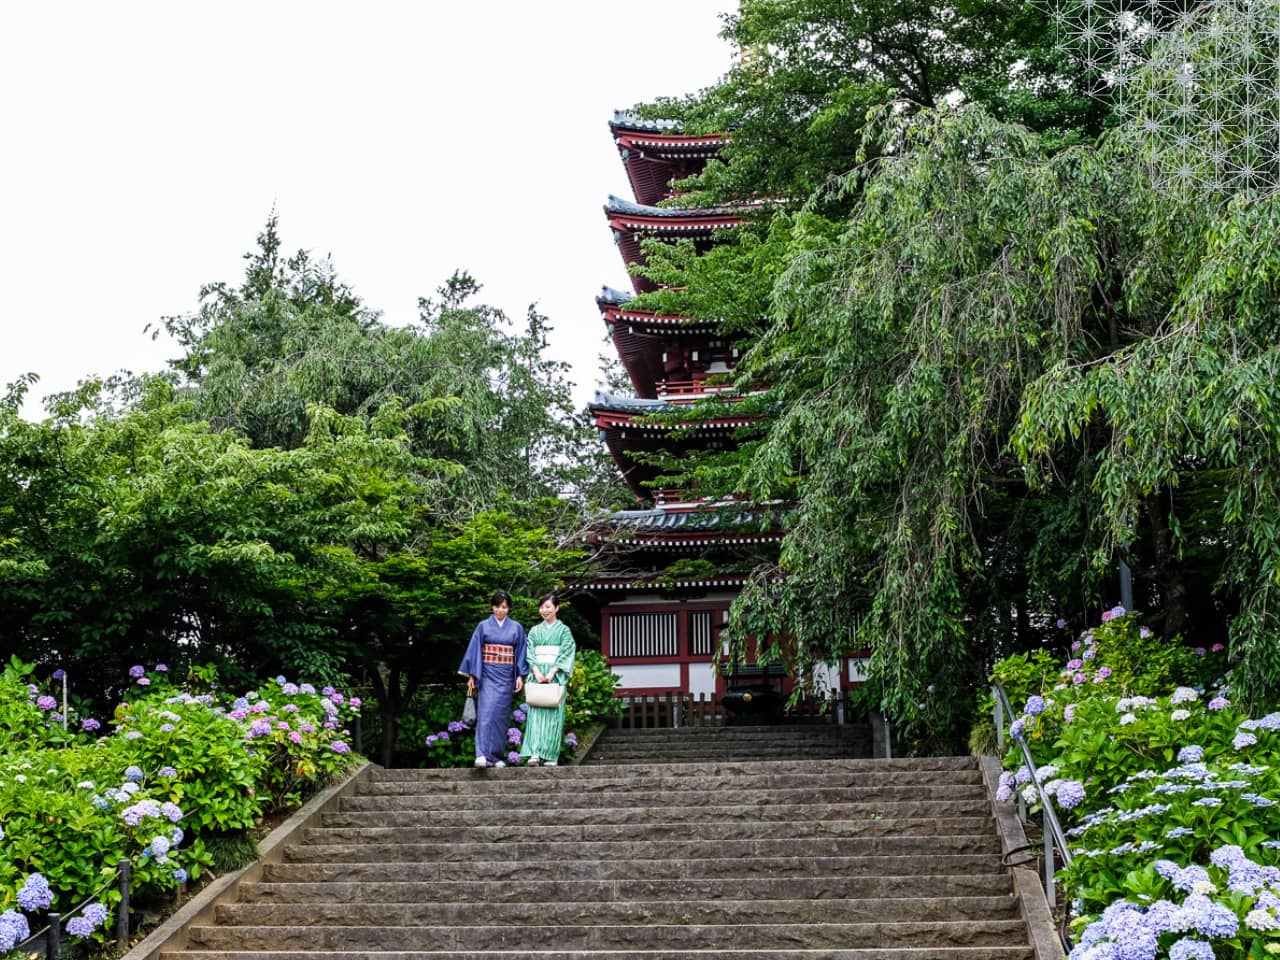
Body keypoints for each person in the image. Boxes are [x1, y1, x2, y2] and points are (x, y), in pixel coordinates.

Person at [458, 590, 527, 768]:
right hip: (487, 674)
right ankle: (481, 754)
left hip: (506, 676)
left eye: (504, 607)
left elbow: (520, 652)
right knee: (486, 713)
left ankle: (496, 757)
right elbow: (475, 651)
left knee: (500, 717)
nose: (500, 610)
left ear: (509, 608)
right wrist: (472, 675)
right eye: (497, 606)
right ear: (492, 607)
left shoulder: (516, 628)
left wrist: (519, 675)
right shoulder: (483, 626)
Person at [520, 592, 576, 766]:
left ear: (556, 608)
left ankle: (551, 755)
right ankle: (534, 753)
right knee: (535, 716)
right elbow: (529, 652)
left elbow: (567, 651)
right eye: (542, 607)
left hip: (555, 674)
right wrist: (536, 670)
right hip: (537, 674)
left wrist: (553, 671)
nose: (544, 610)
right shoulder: (535, 631)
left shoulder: (564, 630)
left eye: (548, 607)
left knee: (553, 716)